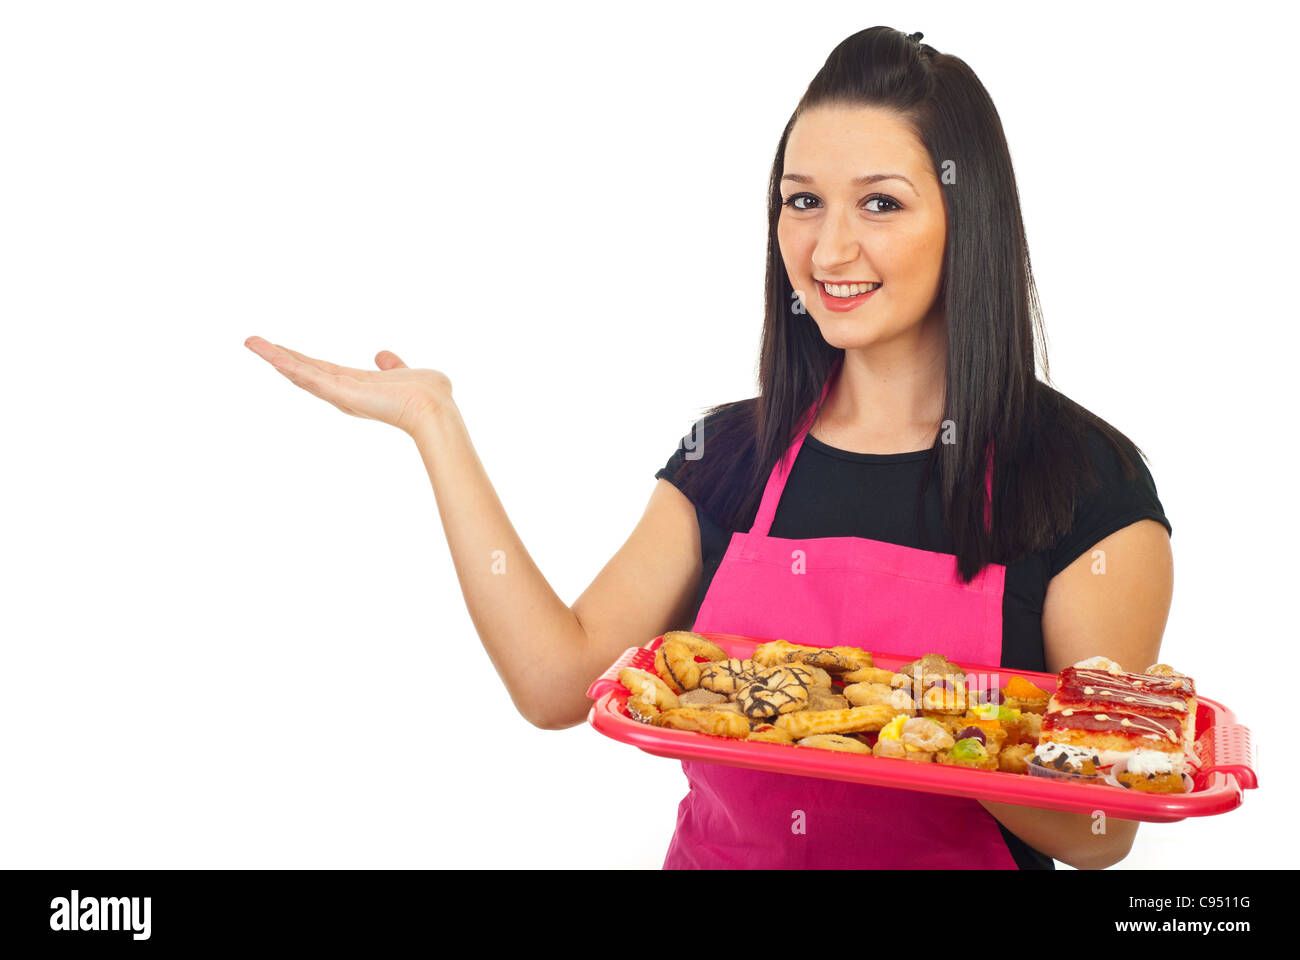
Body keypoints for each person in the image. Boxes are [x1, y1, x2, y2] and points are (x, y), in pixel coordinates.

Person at [244, 25, 1173, 870]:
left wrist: (910, 718)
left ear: (967, 220)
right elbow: (557, 682)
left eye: (881, 204)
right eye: (802, 201)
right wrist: (435, 426)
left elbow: (1100, 830)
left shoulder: (1082, 480)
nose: (829, 247)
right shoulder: (729, 452)